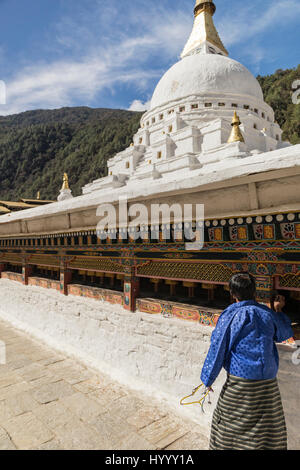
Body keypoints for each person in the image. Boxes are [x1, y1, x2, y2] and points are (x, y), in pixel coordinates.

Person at [201, 273, 294, 450]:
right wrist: (279, 310)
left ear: (233, 294)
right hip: (267, 383)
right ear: (254, 292)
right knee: (266, 429)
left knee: (230, 426)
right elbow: (284, 333)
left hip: (240, 382)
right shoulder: (266, 313)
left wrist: (208, 378)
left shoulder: (231, 315)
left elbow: (218, 347)